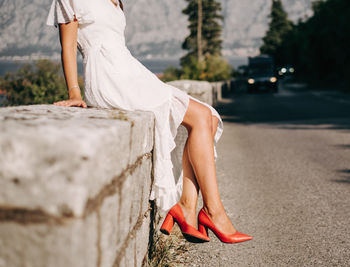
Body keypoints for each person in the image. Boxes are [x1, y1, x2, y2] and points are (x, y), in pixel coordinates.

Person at [46, 0, 252, 244]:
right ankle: (213, 212)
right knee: (199, 117)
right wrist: (74, 93)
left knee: (208, 118)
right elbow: (68, 47)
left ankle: (187, 206)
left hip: (129, 69)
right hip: (108, 77)